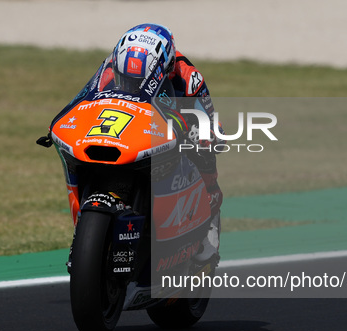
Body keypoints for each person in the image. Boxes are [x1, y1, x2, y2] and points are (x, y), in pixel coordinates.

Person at [50, 23, 223, 264]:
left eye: (137, 80)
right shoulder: (111, 68)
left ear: (167, 66)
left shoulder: (189, 77)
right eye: (126, 79)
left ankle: (210, 219)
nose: (130, 83)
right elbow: (86, 98)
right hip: (131, 129)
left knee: (206, 150)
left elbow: (209, 116)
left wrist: (206, 134)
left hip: (175, 123)